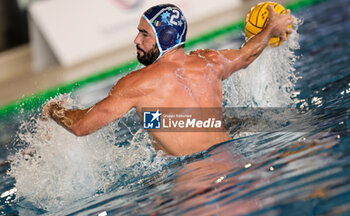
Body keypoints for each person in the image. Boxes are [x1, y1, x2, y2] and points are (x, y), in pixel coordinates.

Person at [42, 4, 294, 156]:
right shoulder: (209, 62)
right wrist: (269, 30)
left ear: (164, 37)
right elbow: (245, 55)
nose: (136, 41)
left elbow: (81, 126)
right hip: (233, 160)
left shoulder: (136, 84)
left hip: (196, 182)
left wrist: (54, 110)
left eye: (144, 34)